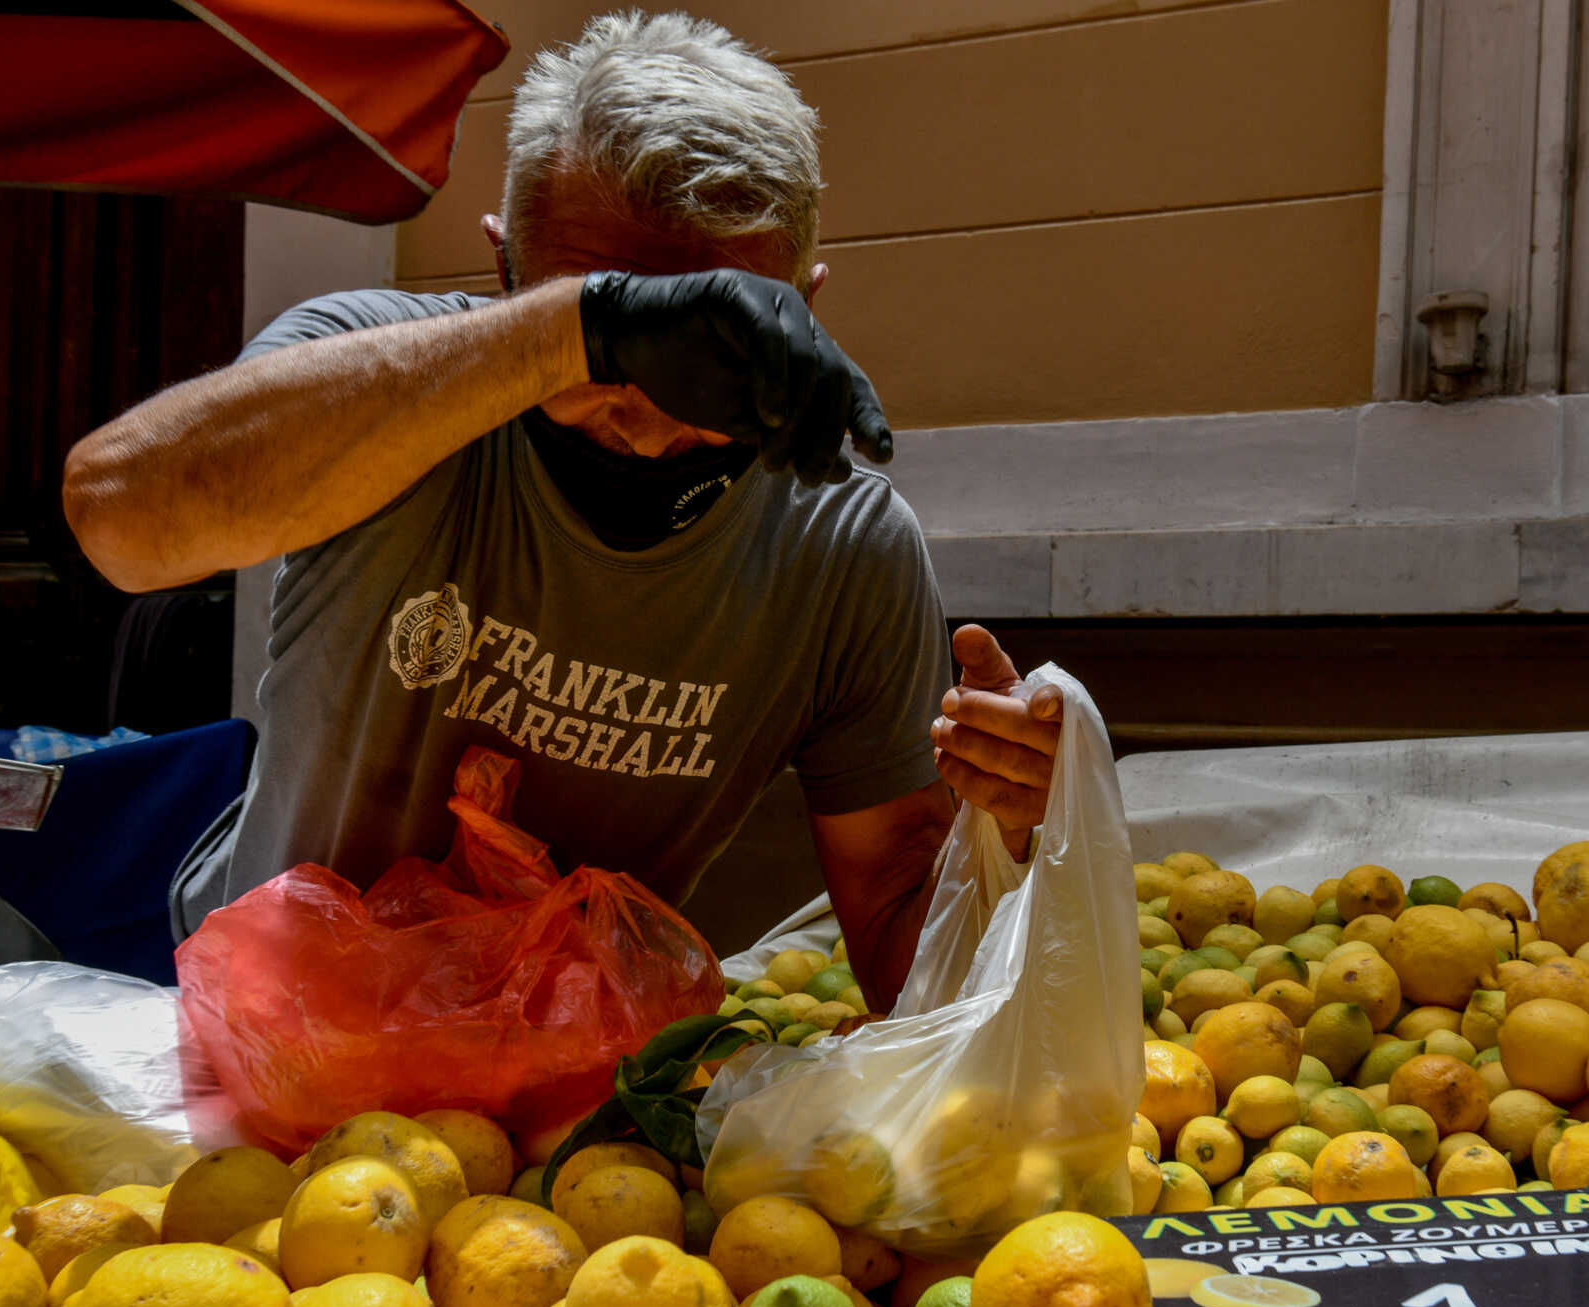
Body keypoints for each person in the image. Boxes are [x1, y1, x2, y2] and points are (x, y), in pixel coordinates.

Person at [63, 12, 1062, 1010]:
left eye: (717, 343)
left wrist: (1003, 840)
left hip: (555, 1116)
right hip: (276, 1041)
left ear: (804, 306)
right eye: (620, 327)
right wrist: (588, 330)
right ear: (504, 273)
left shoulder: (838, 544)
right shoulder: (389, 378)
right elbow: (119, 521)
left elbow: (903, 956)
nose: (652, 399)